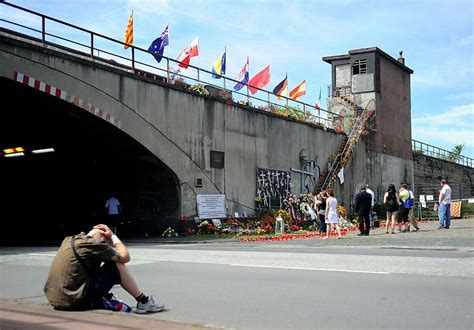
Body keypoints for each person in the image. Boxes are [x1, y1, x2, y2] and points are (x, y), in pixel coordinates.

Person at [44, 224, 164, 313]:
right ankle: (143, 302)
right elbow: (125, 257)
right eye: (106, 242)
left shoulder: (70, 240)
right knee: (117, 265)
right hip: (73, 300)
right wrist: (113, 236)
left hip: (55, 299)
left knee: (99, 264)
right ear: (102, 238)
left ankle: (103, 297)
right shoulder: (93, 244)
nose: (107, 245)